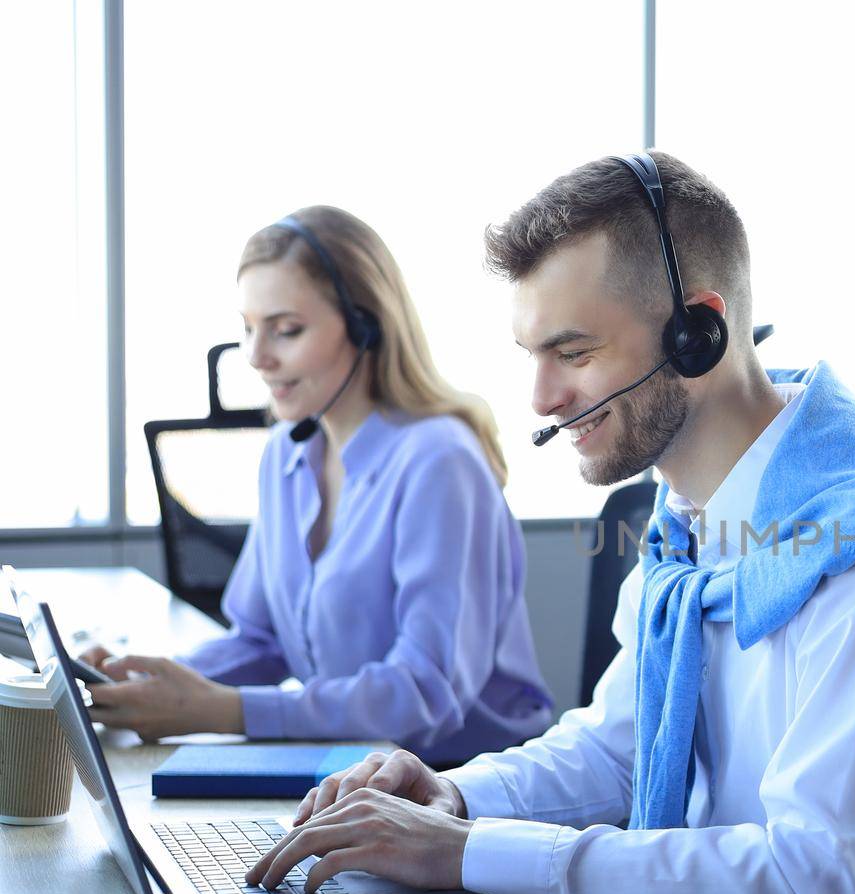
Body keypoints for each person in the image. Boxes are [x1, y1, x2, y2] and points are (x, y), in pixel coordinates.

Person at [248, 152, 855, 894]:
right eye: (534, 355)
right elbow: (621, 750)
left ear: (696, 334)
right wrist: (456, 799)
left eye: (573, 353)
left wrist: (471, 856)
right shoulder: (689, 530)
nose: (542, 399)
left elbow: (809, 884)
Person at [84, 206, 554, 765]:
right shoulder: (286, 454)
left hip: (461, 784)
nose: (257, 358)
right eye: (249, 328)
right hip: (350, 768)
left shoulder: (438, 461)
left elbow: (426, 692)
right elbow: (262, 640)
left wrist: (225, 710)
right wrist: (139, 678)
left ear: (365, 326)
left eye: (286, 330)